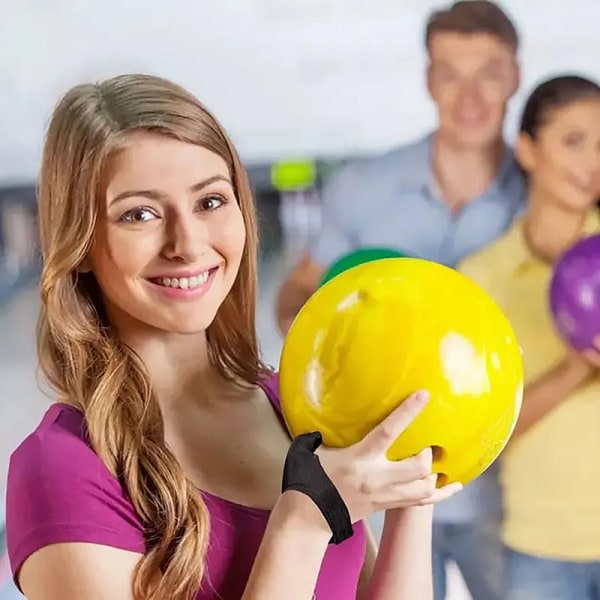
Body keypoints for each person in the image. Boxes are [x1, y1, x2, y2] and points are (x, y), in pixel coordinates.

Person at [4, 74, 462, 600]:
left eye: (210, 202)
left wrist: (413, 495)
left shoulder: (289, 404)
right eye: (140, 214)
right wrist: (302, 522)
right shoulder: (62, 469)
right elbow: (306, 525)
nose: (187, 243)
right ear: (80, 241)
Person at [276, 2, 524, 599]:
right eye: (449, 72)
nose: (469, 96)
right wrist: (323, 359)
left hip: (517, 496)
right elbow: (299, 294)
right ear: (427, 79)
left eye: (488, 73)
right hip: (380, 489)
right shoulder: (364, 189)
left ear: (515, 76)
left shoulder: (553, 191)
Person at [458, 74, 600, 599]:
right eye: (573, 140)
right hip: (542, 550)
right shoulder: (482, 278)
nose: (593, 161)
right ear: (527, 149)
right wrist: (577, 368)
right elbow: (486, 432)